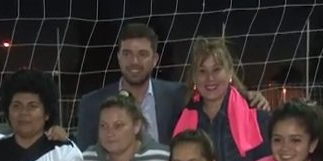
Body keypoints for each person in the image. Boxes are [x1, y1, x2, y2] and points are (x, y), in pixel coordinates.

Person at [64, 23, 269, 151]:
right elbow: (82, 157)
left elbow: (213, 94)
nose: (134, 61)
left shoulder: (177, 95)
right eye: (127, 54)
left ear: (155, 59)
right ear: (118, 58)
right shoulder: (92, 103)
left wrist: (247, 95)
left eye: (142, 54)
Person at [173, 37, 271, 161]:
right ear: (194, 77)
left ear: (230, 72)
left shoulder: (257, 117)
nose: (210, 78)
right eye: (202, 71)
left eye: (216, 70)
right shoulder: (182, 120)